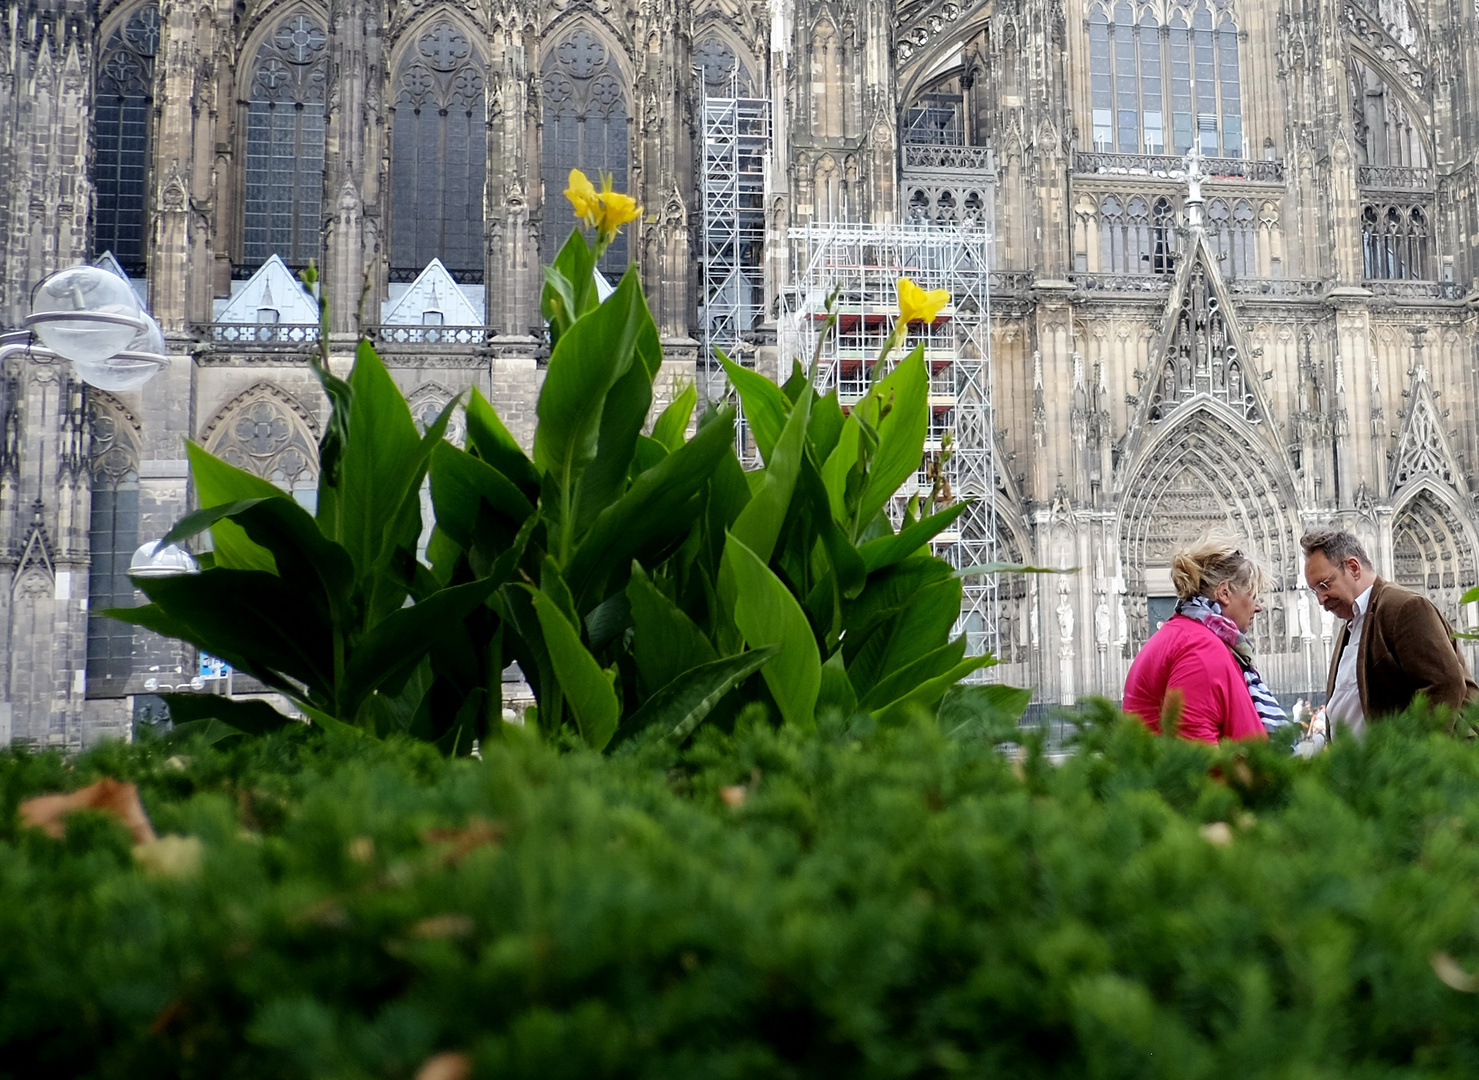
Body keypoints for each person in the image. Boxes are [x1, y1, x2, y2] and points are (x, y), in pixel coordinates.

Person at [1301, 528, 1479, 736]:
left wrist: (1405, 755)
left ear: (1353, 567)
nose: (1321, 600)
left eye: (1324, 585)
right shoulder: (1351, 625)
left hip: (1412, 764)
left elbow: (1444, 685)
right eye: (1315, 591)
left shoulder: (1405, 606)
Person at [1124, 536, 1282, 743]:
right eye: (1254, 596)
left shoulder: (1186, 635)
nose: (1259, 607)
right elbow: (1195, 753)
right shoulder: (1200, 648)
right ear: (1224, 593)